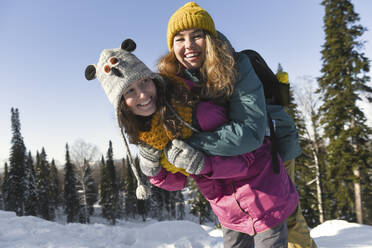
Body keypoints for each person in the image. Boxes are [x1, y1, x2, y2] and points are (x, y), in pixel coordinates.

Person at [85, 38, 298, 248]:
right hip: (228, 210)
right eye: (129, 91)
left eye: (144, 81)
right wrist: (155, 172)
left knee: (297, 236)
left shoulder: (195, 110)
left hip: (264, 195)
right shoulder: (148, 134)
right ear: (121, 106)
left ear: (154, 80)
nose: (142, 94)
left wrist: (204, 163)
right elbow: (178, 181)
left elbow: (249, 156)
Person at [156, 2, 317, 248]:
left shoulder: (236, 64)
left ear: (209, 38)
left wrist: (191, 146)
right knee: (241, 218)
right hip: (233, 162)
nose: (188, 45)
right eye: (179, 38)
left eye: (196, 35)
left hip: (273, 145)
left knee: (287, 216)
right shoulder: (172, 80)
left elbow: (250, 131)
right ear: (171, 46)